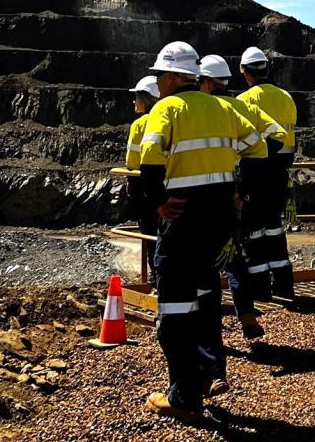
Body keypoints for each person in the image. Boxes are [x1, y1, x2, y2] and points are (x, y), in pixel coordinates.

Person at [140, 42, 264, 423]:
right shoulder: (225, 108)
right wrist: (238, 192)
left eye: (161, 76)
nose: (158, 83)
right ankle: (210, 372)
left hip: (183, 216)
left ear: (174, 77)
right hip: (219, 216)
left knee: (175, 306)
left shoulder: (167, 109)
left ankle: (184, 396)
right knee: (206, 293)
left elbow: (149, 159)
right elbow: (257, 149)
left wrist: (158, 201)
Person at [198, 54, 289, 341]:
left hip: (206, 188)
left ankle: (206, 326)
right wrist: (249, 168)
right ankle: (247, 315)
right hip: (238, 188)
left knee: (204, 258)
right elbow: (278, 135)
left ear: (207, 82)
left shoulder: (205, 109)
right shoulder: (242, 107)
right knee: (235, 254)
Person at [238, 46, 298, 300]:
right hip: (280, 172)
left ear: (244, 71)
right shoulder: (286, 97)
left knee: (253, 232)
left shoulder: (245, 101)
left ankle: (260, 290)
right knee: (274, 228)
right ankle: (284, 285)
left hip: (255, 171)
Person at [124, 75, 160, 284]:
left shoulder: (139, 125)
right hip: (169, 183)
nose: (134, 101)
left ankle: (157, 279)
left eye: (137, 96)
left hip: (145, 188)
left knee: (150, 234)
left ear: (146, 99)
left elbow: (132, 160)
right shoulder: (171, 116)